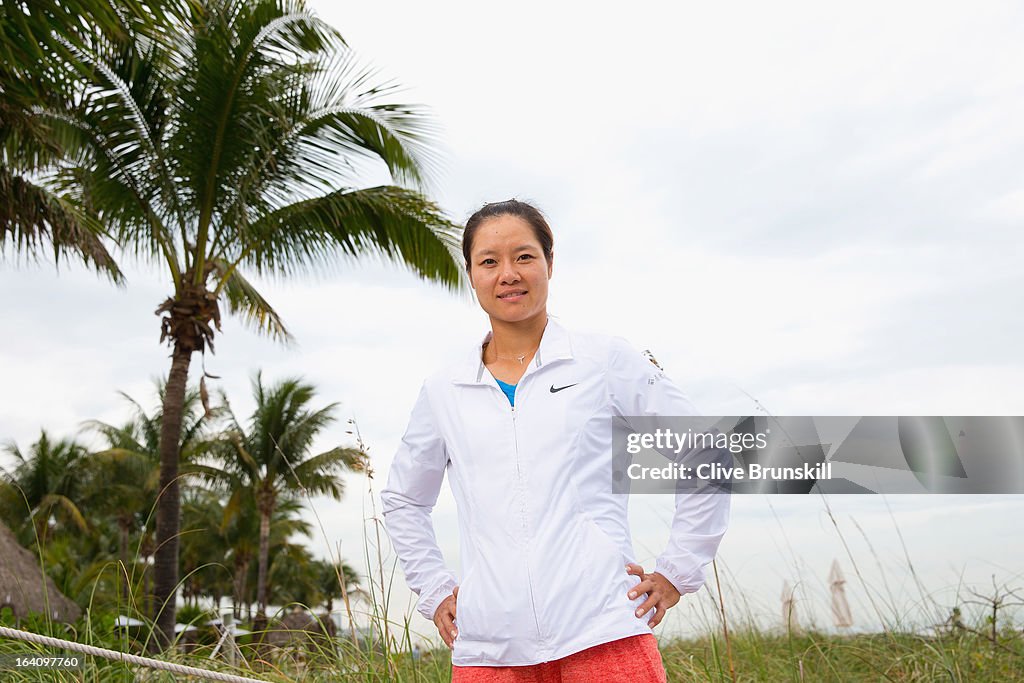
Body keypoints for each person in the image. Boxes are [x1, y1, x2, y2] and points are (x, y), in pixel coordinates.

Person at [381, 199, 730, 682]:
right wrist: (435, 589)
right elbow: (402, 499)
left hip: (602, 632)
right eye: (489, 261)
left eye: (524, 256)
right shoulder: (444, 390)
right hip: (488, 648)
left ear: (549, 264)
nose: (508, 274)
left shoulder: (602, 360)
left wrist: (677, 572)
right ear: (471, 274)